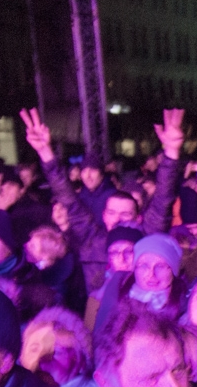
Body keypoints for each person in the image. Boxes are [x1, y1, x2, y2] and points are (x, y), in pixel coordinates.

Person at [23, 108, 180, 292]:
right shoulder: (91, 239)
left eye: (126, 214)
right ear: (104, 216)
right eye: (112, 213)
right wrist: (45, 152)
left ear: (138, 218)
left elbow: (163, 198)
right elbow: (68, 198)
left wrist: (171, 152)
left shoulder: (146, 239)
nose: (118, 219)